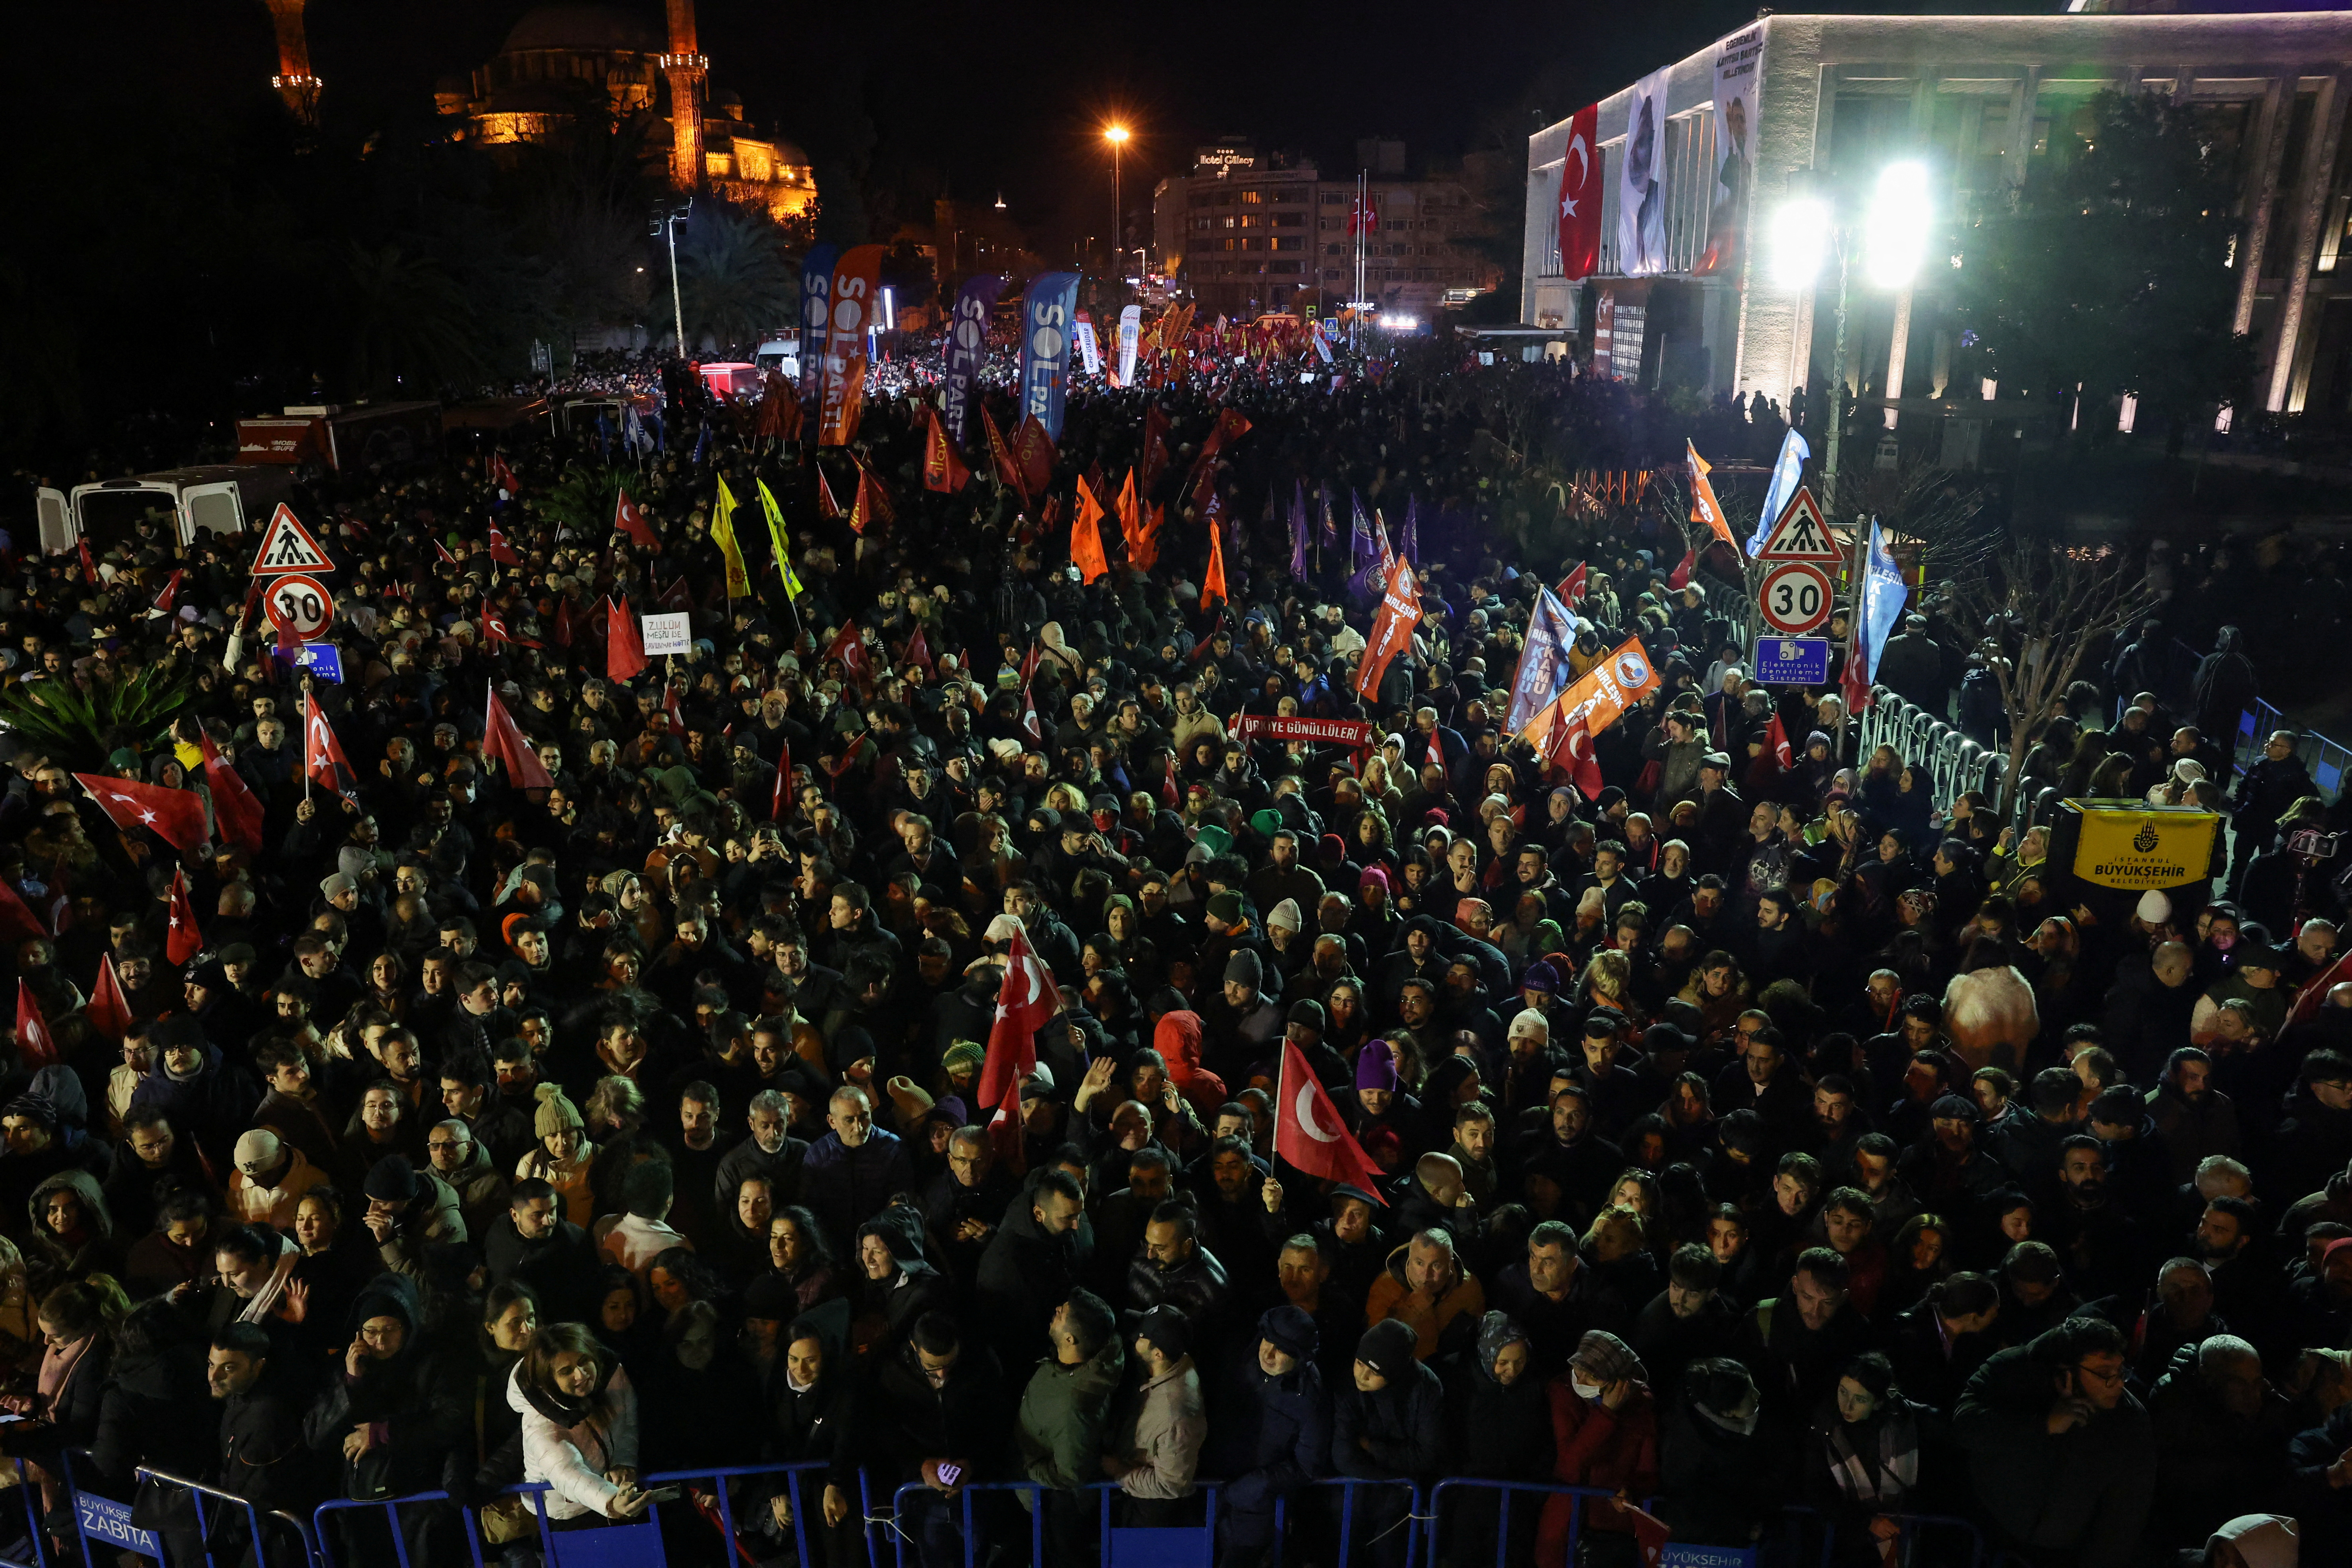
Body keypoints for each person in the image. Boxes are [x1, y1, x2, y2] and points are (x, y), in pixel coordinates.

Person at [1953, 1316, 2155, 1568]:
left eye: (2121, 1370)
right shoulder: (2011, 1371)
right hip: (1984, 1530)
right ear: (2066, 1371)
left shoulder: (2129, 1421)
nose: (2118, 1383)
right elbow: (1965, 1427)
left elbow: (2123, 1518)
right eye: (2105, 1373)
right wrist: (2043, 1426)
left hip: (2063, 1555)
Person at [509, 1322, 654, 1527]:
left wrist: (623, 1461)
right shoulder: (540, 1421)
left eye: (584, 1361)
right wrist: (611, 1501)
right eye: (566, 1371)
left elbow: (627, 1420)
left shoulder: (611, 1375)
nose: (581, 1375)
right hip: (566, 1514)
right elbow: (567, 1472)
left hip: (608, 1495)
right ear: (549, 1379)